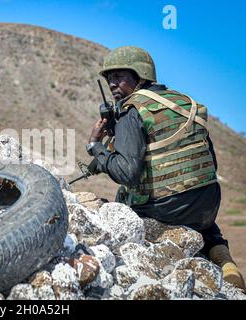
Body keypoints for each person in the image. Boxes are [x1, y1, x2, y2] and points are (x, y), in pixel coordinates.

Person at [86, 46, 245, 291]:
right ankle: (226, 262)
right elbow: (209, 160)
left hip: (169, 209)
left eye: (119, 76)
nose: (112, 83)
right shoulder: (185, 103)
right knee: (202, 220)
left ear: (139, 75)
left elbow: (127, 174)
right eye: (109, 78)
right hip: (209, 202)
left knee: (120, 203)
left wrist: (97, 146)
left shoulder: (132, 110)